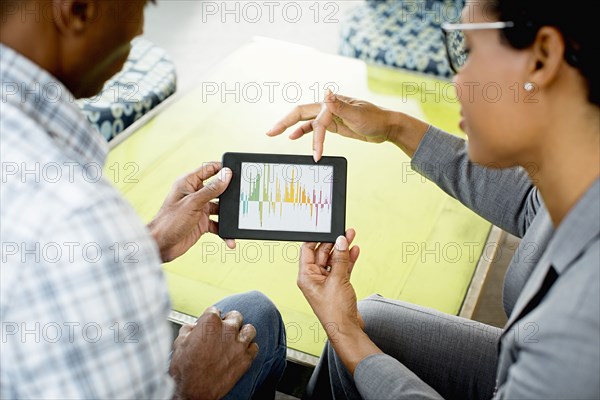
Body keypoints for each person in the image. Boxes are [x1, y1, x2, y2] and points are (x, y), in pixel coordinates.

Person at [267, 0, 599, 398]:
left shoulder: (582, 322)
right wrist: (392, 126)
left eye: (469, 50)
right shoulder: (581, 175)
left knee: (357, 335)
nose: (456, 80)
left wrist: (346, 335)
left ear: (543, 57)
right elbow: (531, 204)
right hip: (522, 358)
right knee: (373, 322)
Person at [0, 1, 285, 398]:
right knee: (256, 320)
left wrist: (147, 242)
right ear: (78, 10)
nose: (139, 31)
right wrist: (191, 385)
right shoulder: (78, 215)